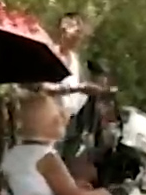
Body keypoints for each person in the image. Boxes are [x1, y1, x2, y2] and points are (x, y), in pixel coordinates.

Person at [1, 93, 146, 195]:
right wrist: (101, 193)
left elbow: (37, 188)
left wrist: (76, 186)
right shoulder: (46, 157)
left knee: (89, 193)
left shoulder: (13, 154)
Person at [39, 13, 111, 158]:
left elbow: (76, 90)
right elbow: (41, 87)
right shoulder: (48, 54)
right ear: (63, 29)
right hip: (44, 122)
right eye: (77, 32)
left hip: (68, 123)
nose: (80, 38)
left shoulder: (74, 59)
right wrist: (77, 88)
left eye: (82, 34)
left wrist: (88, 91)